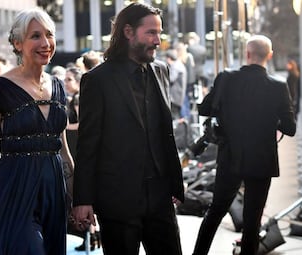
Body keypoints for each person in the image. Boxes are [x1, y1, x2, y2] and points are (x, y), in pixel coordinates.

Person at [0, 7, 74, 255]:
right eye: (35, 36)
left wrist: (80, 199)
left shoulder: (59, 87)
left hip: (54, 193)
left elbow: (62, 150)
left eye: (49, 35)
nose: (45, 43)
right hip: (15, 190)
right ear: (17, 44)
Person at [72, 3, 184, 255]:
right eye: (151, 33)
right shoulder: (97, 80)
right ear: (128, 32)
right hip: (117, 199)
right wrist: (82, 199)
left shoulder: (161, 71)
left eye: (160, 33)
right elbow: (88, 143)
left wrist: (175, 184)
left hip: (160, 197)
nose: (158, 40)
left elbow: (165, 133)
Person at [192, 35, 296, 255]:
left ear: (247, 54)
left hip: (230, 157)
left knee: (215, 212)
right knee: (252, 220)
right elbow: (290, 128)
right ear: (270, 56)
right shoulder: (278, 85)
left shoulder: (227, 78)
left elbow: (204, 109)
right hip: (262, 160)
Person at [165, 48, 187, 119]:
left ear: (168, 58)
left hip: (174, 97)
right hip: (178, 97)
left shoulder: (176, 66)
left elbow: (171, 79)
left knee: (174, 118)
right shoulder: (179, 65)